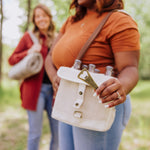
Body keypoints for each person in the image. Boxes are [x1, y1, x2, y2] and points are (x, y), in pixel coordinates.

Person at [45, 0, 140, 150]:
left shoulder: (119, 20)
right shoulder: (72, 21)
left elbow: (130, 68)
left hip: (98, 103)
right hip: (67, 101)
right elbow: (50, 57)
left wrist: (122, 85)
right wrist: (54, 78)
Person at [8, 4, 58, 150]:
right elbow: (12, 59)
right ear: (34, 20)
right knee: (35, 133)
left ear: (49, 17)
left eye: (44, 15)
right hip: (35, 91)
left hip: (55, 92)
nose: (41, 18)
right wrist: (28, 52)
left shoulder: (58, 38)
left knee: (58, 134)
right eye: (37, 16)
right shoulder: (28, 37)